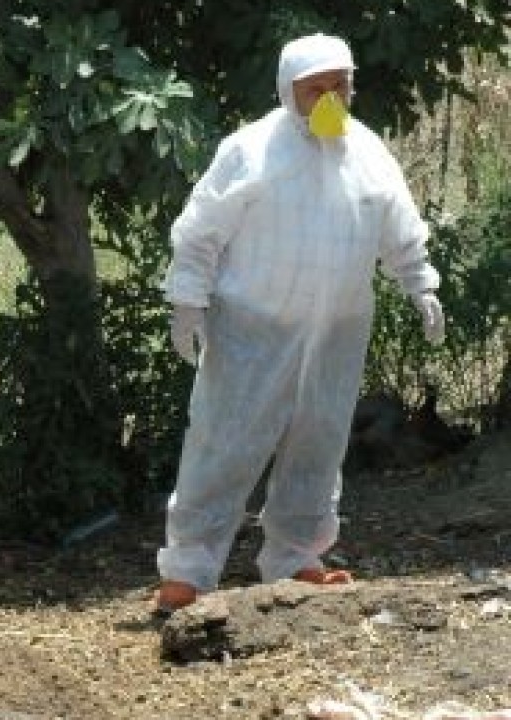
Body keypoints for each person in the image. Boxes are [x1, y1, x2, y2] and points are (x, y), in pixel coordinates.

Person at [155, 34, 445, 613]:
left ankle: (296, 560)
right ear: (289, 91)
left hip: (337, 330)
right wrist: (187, 298)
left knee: (319, 442)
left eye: (341, 85)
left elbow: (400, 226)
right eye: (317, 88)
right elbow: (201, 229)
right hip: (252, 330)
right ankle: (188, 571)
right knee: (225, 443)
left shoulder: (366, 152)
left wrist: (421, 283)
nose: (331, 98)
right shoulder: (251, 150)